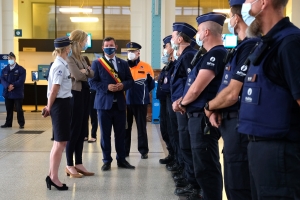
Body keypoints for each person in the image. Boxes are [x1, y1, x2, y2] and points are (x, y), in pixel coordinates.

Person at [237, 0, 300, 199]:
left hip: (281, 152)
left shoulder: (290, 42)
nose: (245, 4)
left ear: (264, 2)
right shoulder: (268, 42)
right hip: (261, 149)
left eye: (248, 0)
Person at [203, 1, 259, 199]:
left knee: (240, 185)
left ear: (235, 19)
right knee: (234, 182)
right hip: (229, 121)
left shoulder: (251, 46)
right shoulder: (238, 49)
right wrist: (218, 108)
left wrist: (210, 106)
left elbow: (233, 92)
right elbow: (226, 85)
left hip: (240, 123)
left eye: (230, 17)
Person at [179, 12, 227, 200]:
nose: (197, 35)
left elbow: (197, 89)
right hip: (196, 116)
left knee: (206, 166)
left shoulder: (216, 54)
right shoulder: (207, 55)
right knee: (201, 165)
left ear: (206, 32)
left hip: (203, 118)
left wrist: (182, 102)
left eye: (198, 31)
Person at [89, 36, 135, 171]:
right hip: (104, 105)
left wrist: (123, 85)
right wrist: (106, 87)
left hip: (120, 105)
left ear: (116, 47)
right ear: (103, 48)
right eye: (106, 45)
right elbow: (92, 82)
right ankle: (106, 160)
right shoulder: (97, 63)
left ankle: (121, 160)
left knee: (121, 134)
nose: (109, 47)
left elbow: (130, 81)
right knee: (105, 134)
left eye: (111, 45)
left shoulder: (123, 63)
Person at [169, 22, 199, 193]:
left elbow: (192, 82)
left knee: (187, 144)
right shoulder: (183, 56)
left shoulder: (189, 56)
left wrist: (182, 100)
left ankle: (193, 183)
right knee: (183, 142)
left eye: (173, 36)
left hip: (185, 107)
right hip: (180, 106)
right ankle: (189, 177)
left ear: (179, 39)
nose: (172, 39)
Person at [43, 36, 72, 191]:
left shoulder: (61, 64)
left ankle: (51, 175)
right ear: (66, 48)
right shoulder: (59, 66)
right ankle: (54, 178)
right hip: (60, 105)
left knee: (59, 142)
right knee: (60, 143)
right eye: (69, 47)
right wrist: (49, 107)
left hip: (62, 104)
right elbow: (54, 90)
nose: (70, 49)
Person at [65, 30, 94, 178]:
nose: (85, 43)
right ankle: (69, 164)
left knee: (83, 131)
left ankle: (79, 163)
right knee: (74, 131)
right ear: (78, 41)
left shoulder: (82, 58)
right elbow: (78, 75)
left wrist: (85, 70)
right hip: (75, 95)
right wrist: (85, 71)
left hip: (85, 94)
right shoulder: (70, 59)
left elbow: (91, 73)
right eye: (84, 40)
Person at [125, 42, 155, 159]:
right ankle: (125, 151)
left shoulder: (146, 66)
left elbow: (151, 84)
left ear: (138, 53)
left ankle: (143, 151)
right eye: (129, 52)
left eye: (133, 51)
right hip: (126, 103)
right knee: (126, 128)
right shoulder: (123, 66)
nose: (131, 54)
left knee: (141, 127)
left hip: (141, 102)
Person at [156, 35, 175, 165]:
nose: (164, 49)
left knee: (173, 131)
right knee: (165, 130)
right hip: (164, 102)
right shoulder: (167, 66)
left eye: (166, 46)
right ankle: (171, 153)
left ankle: (176, 158)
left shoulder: (175, 65)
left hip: (171, 102)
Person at [0, 52, 26, 129]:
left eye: (11, 58)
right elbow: (2, 79)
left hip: (17, 93)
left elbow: (21, 80)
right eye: (8, 59)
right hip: (8, 92)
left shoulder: (21, 69)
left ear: (14, 59)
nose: (10, 60)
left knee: (18, 109)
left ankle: (21, 123)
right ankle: (8, 123)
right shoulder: (5, 70)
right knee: (9, 109)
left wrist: (12, 85)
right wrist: (8, 86)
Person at [83, 56, 98, 143]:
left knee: (93, 115)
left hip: (92, 94)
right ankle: (85, 135)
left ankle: (93, 135)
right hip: (83, 95)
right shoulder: (80, 71)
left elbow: (93, 82)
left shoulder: (91, 71)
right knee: (84, 116)